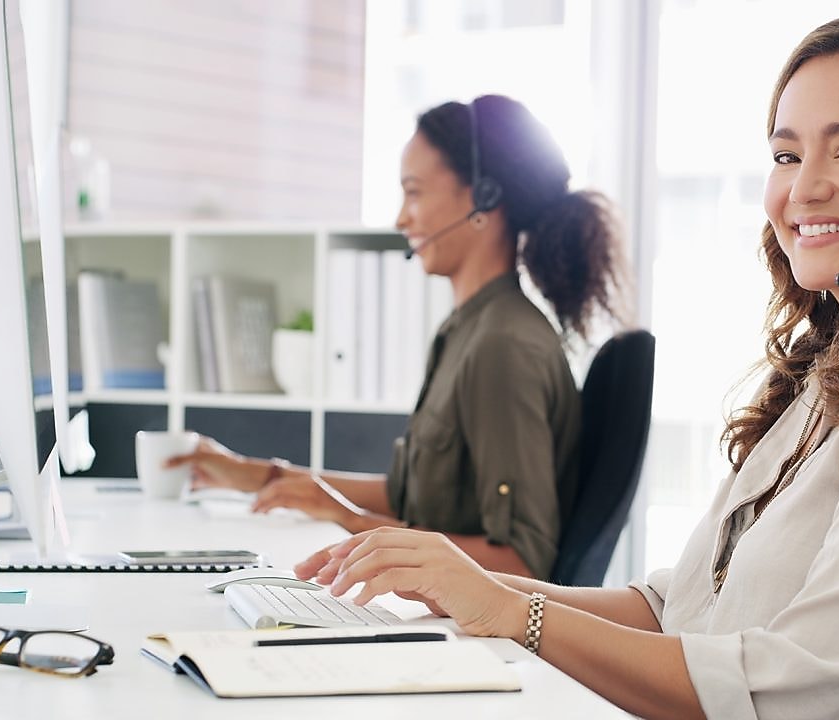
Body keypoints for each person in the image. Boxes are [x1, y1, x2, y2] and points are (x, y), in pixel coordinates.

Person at [291, 15, 839, 720]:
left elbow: (777, 694)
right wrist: (468, 589)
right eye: (787, 155)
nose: (804, 186)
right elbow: (674, 610)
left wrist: (512, 613)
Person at [167, 95, 629, 580]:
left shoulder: (503, 346)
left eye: (414, 193)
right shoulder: (466, 329)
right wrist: (261, 476)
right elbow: (410, 495)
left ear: (484, 200)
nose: (400, 219)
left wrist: (352, 523)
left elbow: (521, 561)